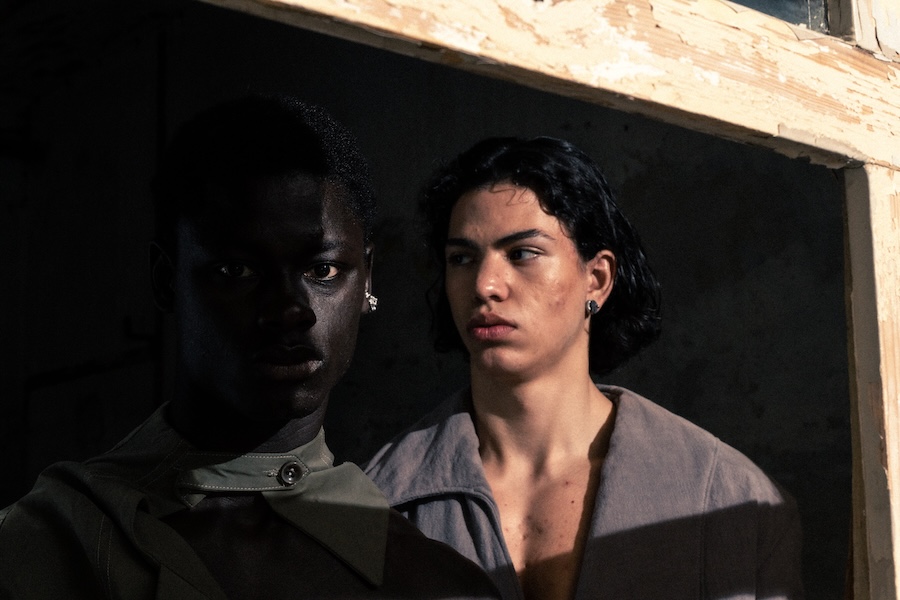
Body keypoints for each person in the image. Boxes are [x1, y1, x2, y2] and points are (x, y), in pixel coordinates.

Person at [0, 96, 500, 599]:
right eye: (237, 270)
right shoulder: (53, 542)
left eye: (322, 270)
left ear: (366, 278)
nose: (289, 310)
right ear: (166, 281)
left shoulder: (433, 580)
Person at [365, 136, 803, 600]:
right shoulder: (379, 500)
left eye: (522, 253)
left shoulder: (731, 502)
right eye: (462, 258)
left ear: (596, 279)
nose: (485, 284)